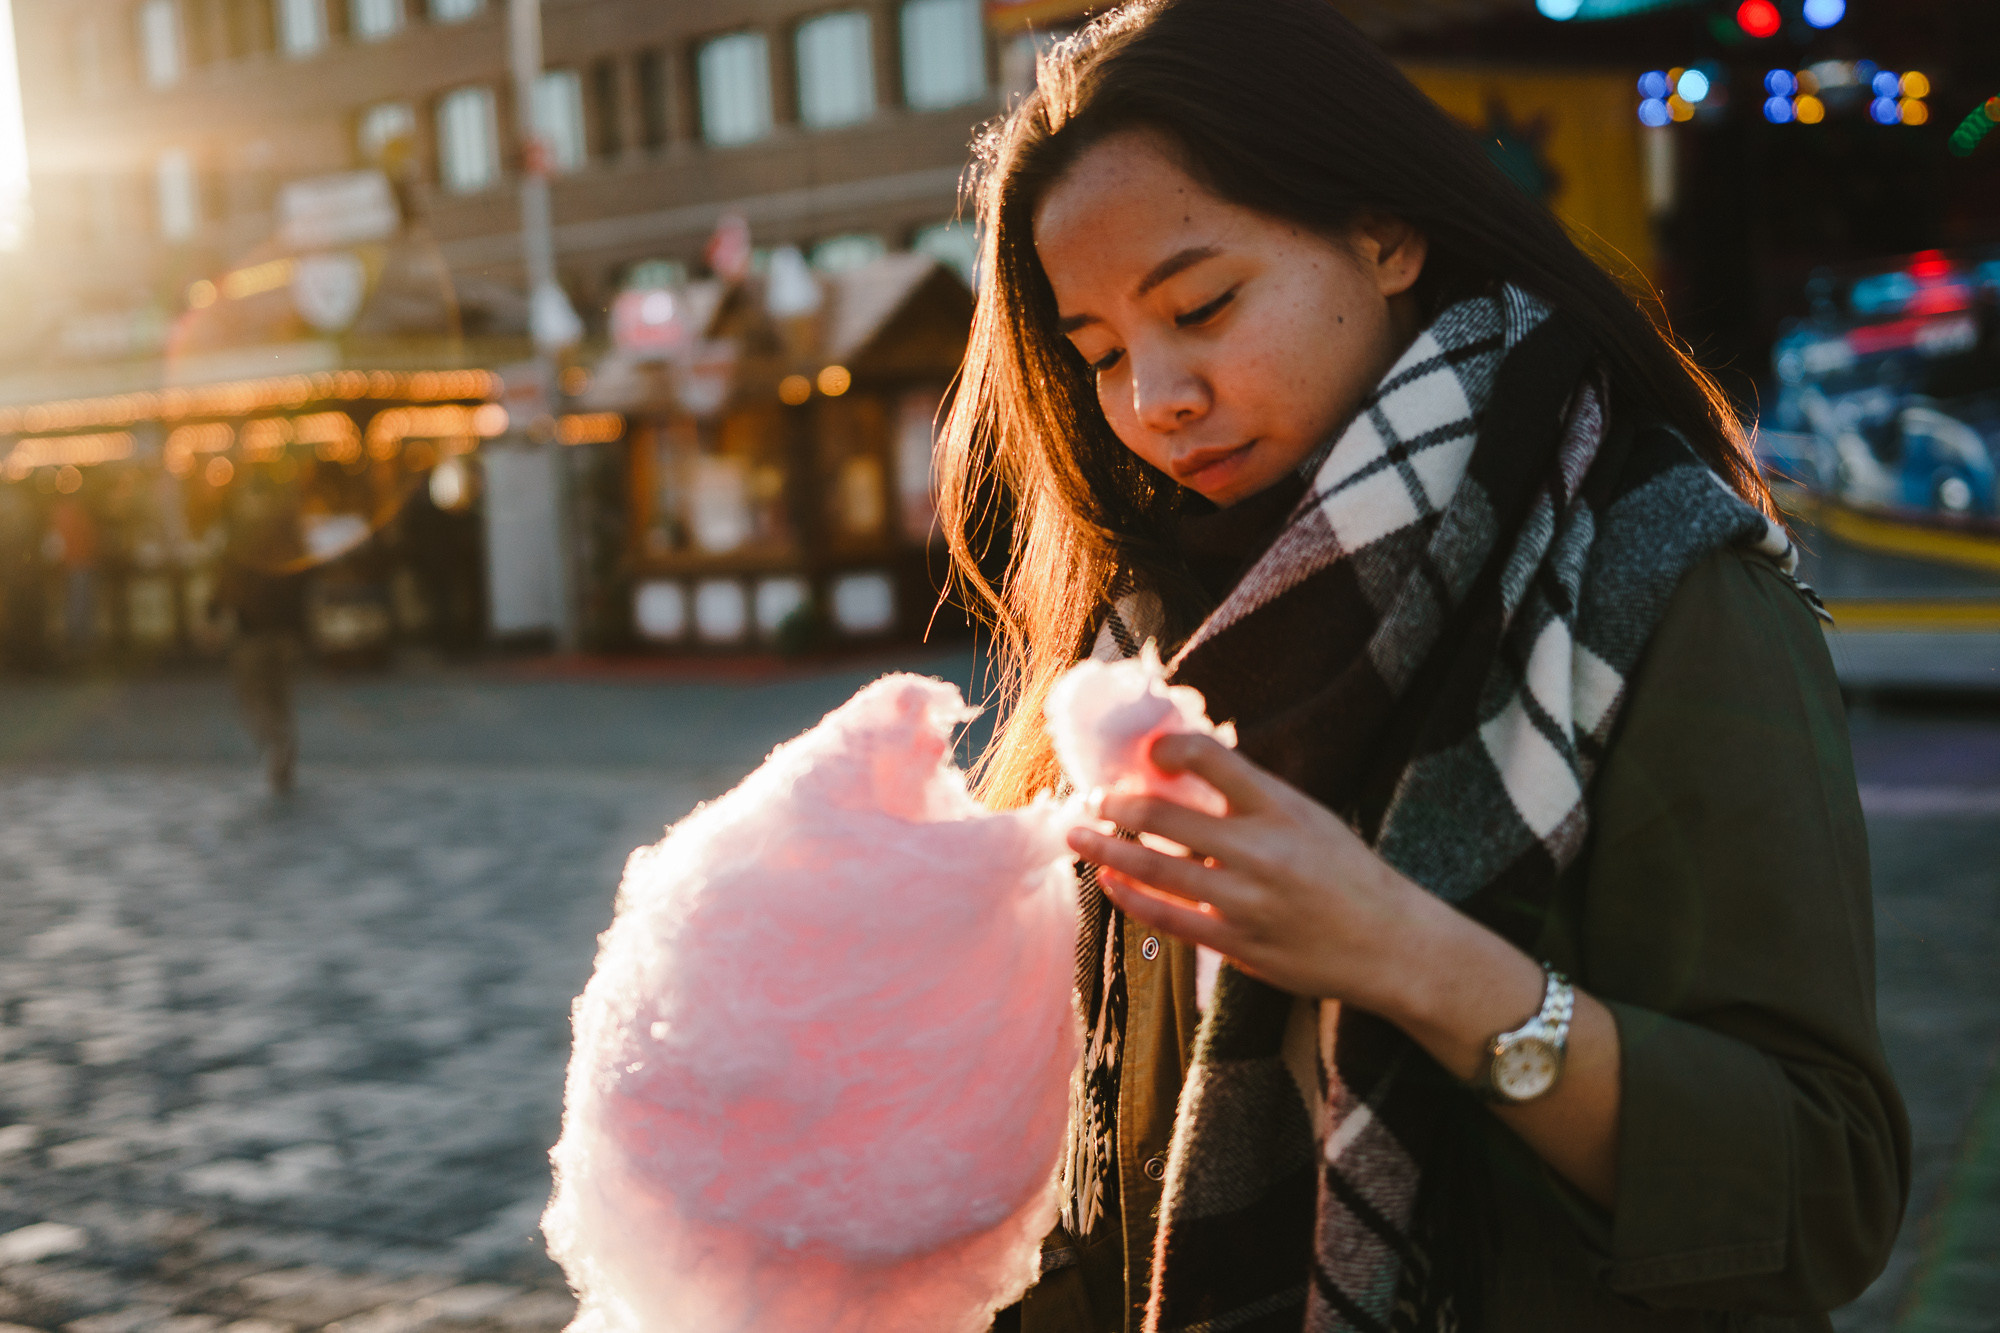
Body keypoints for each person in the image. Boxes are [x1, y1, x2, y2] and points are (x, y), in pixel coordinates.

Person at [936, 3, 1909, 1331]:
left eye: (1202, 305)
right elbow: (1117, 1192)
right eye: (1100, 353)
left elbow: (1820, 1188)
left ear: (1385, 234)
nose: (1153, 397)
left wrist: (1402, 951)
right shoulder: (1149, 636)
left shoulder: (1660, 583)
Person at [215, 479, 308, 794]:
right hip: (284, 632)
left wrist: (213, 612)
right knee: (279, 696)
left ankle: (276, 745)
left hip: (252, 631)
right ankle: (283, 749)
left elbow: (227, 582)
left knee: (253, 696)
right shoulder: (290, 537)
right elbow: (303, 586)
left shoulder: (241, 537)